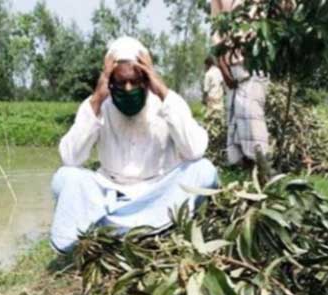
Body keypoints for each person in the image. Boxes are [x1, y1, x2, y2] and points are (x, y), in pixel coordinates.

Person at [49, 37, 218, 254]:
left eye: (135, 81)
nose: (128, 89)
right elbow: (71, 158)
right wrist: (97, 99)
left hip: (158, 192)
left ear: (146, 79)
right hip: (110, 193)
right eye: (120, 82)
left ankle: (133, 228)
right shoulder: (98, 104)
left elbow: (195, 150)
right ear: (109, 81)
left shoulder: (166, 102)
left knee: (204, 171)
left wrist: (162, 91)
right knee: (63, 179)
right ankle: (144, 229)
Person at [210, 0, 271, 166]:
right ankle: (240, 163)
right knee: (235, 113)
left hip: (256, 60)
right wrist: (222, 67)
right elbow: (215, 30)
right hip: (232, 62)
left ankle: (260, 161)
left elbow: (282, 11)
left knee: (252, 111)